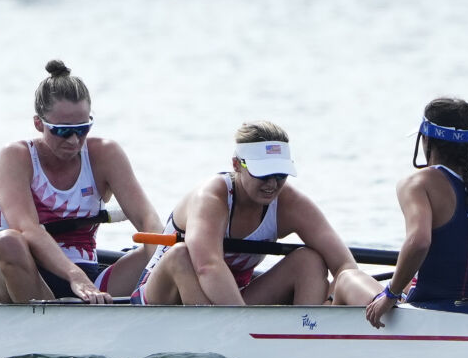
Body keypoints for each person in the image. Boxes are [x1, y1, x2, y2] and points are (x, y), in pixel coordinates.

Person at [137, 121, 379, 307]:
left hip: (232, 300)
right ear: (236, 165)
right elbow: (208, 267)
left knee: (308, 260)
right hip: (165, 294)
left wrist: (331, 300)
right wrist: (246, 328)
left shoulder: (290, 203)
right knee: (181, 256)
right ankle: (240, 335)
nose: (272, 184)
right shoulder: (211, 197)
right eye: (263, 174)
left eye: (280, 174)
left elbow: (345, 265)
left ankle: (308, 332)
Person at [0, 60, 161, 304]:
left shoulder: (105, 154)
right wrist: (74, 275)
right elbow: (27, 228)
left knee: (175, 253)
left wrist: (160, 265)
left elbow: (146, 219)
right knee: (7, 241)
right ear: (38, 124)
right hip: (24, 274)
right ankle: (51, 325)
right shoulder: (14, 157)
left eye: (83, 128)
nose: (75, 141)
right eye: (63, 130)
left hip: (88, 279)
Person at [366, 97, 468, 327]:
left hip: (425, 309)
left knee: (346, 279)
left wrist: (392, 294)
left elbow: (419, 242)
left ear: (426, 140)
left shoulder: (417, 183)